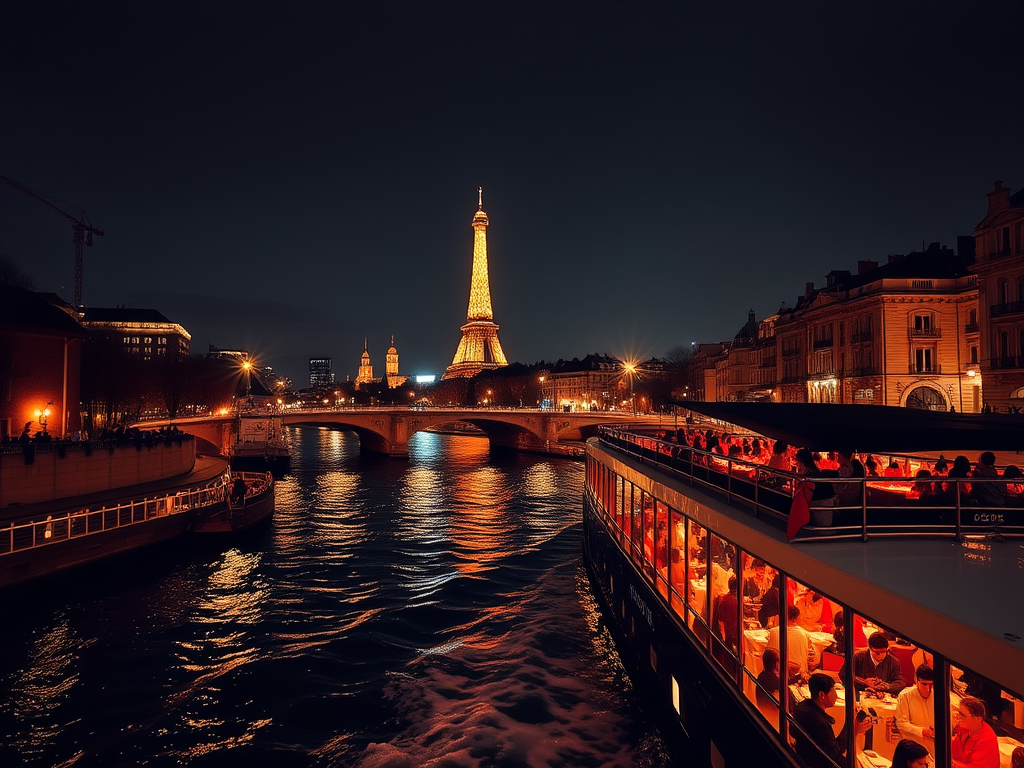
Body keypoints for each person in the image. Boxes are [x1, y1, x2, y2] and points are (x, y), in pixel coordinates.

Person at [793, 672, 872, 768]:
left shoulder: (803, 708)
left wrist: (851, 725)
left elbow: (833, 748)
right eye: (833, 691)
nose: (837, 696)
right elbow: (835, 756)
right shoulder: (819, 723)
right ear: (822, 694)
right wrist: (854, 731)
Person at [841, 631, 905, 695]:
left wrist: (887, 686)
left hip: (883, 698)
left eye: (884, 652)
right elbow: (844, 675)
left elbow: (900, 683)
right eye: (877, 653)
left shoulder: (893, 661)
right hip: (859, 695)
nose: (881, 655)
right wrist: (864, 682)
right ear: (870, 648)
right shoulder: (858, 657)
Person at [768, 604, 814, 679]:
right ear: (797, 617)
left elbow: (769, 656)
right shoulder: (805, 634)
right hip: (800, 676)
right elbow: (810, 657)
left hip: (778, 676)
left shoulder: (774, 632)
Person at [951, 695, 999, 768]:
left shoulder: (987, 740)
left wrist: (952, 762)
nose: (959, 718)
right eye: (959, 714)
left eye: (963, 716)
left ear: (978, 718)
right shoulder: (964, 728)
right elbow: (955, 749)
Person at [895, 664, 936, 748]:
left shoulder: (939, 696)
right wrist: (922, 731)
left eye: (931, 684)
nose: (928, 688)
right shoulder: (905, 696)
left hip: (935, 744)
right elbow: (901, 723)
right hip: (913, 744)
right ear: (916, 681)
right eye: (924, 684)